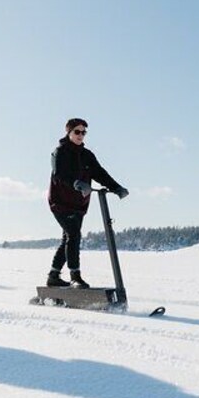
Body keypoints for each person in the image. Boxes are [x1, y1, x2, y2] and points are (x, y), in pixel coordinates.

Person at [46, 118, 129, 288]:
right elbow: (60, 174)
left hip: (79, 204)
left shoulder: (87, 155)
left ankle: (53, 276)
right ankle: (75, 276)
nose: (80, 135)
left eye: (83, 132)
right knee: (74, 235)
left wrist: (116, 187)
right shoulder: (59, 152)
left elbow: (100, 173)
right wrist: (76, 183)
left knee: (68, 238)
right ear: (68, 132)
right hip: (60, 203)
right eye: (77, 131)